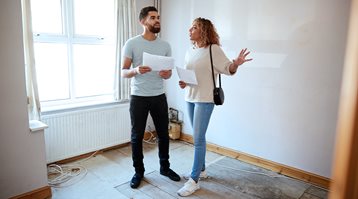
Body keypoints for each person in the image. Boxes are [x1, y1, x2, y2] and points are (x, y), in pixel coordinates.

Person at [177, 17, 253, 197]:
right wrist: (183, 83)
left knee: (198, 138)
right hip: (189, 97)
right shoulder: (190, 50)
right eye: (190, 27)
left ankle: (194, 180)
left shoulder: (213, 49)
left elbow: (228, 69)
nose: (190, 30)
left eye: (194, 28)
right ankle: (202, 170)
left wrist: (236, 63)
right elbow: (192, 75)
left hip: (205, 99)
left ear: (203, 31)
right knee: (198, 137)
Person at [121, 6, 180, 189]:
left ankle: (165, 168)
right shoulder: (131, 43)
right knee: (136, 136)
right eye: (153, 17)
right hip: (138, 97)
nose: (157, 20)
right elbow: (123, 72)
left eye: (158, 17)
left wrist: (166, 74)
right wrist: (136, 70)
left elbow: (169, 73)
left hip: (159, 96)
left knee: (163, 134)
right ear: (143, 21)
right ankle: (138, 172)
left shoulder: (165, 45)